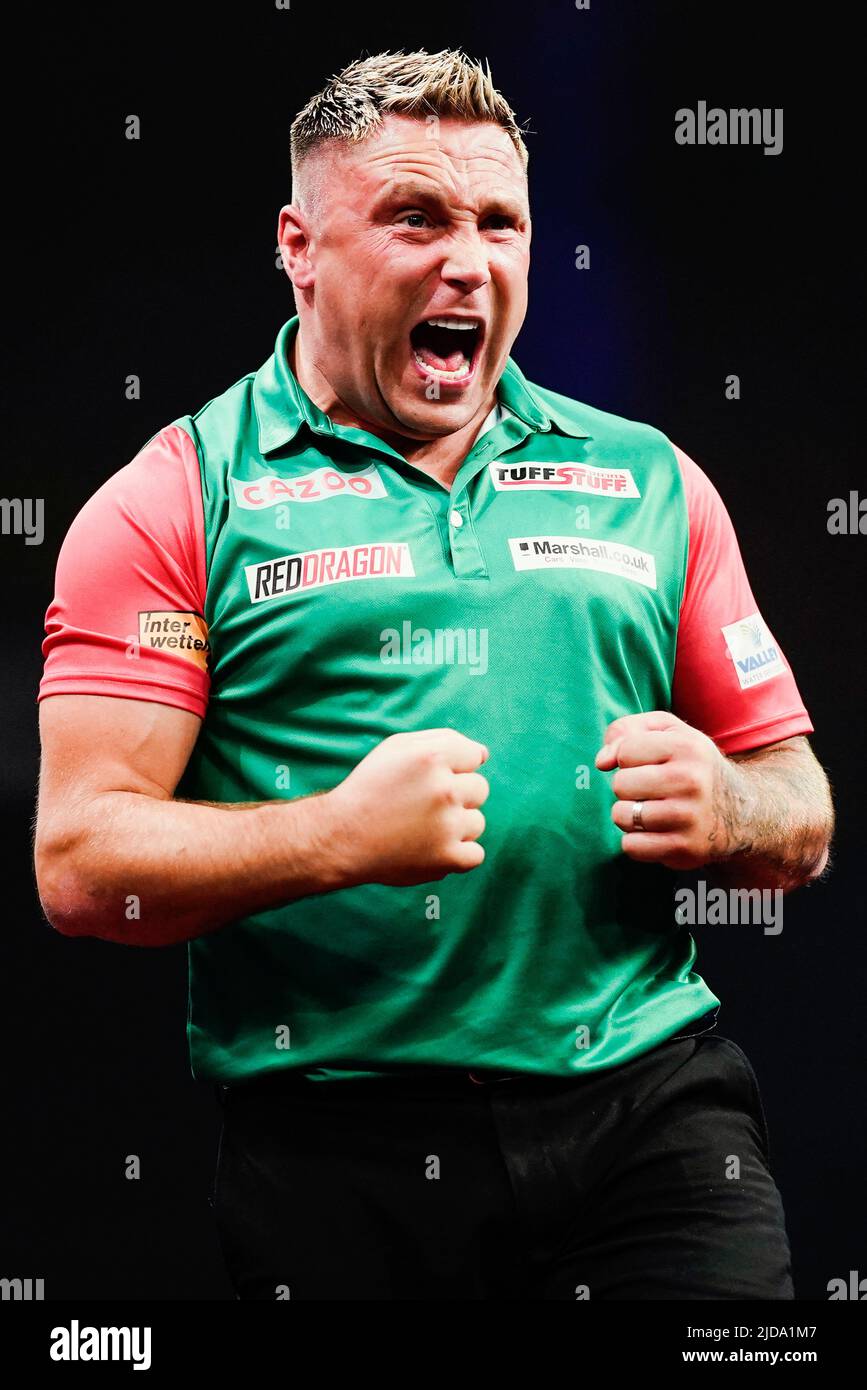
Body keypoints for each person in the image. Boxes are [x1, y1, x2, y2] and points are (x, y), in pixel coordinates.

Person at [34, 48, 833, 1300]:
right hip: (336, 1151)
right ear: (299, 247)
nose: (468, 259)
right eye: (415, 218)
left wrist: (732, 806)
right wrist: (336, 838)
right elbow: (81, 868)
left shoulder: (651, 480)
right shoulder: (173, 500)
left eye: (498, 221)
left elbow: (803, 809)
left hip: (650, 1120)